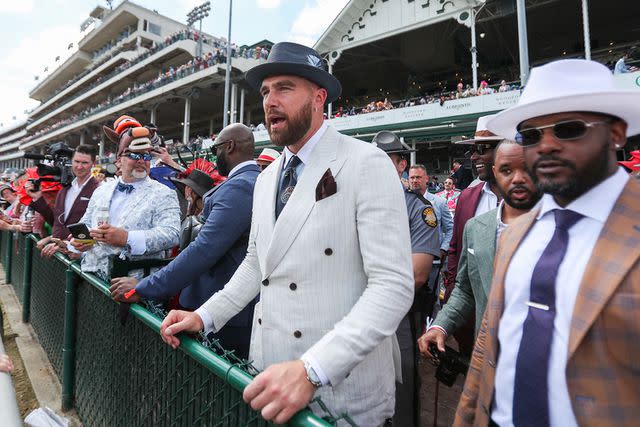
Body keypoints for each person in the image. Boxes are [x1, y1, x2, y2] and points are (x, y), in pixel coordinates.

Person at [158, 42, 414, 426]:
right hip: (270, 376)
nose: (270, 101)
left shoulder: (366, 163)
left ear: (318, 97)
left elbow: (392, 287)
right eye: (265, 92)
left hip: (337, 388)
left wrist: (313, 369)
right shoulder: (264, 180)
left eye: (284, 88)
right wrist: (204, 316)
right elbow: (256, 265)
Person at [455, 59, 640, 427]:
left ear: (616, 133)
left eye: (568, 129)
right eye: (531, 136)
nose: (547, 146)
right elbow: (488, 348)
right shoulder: (515, 232)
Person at [110, 124, 260, 359]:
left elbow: (202, 251)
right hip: (226, 306)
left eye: (216, 149)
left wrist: (145, 287)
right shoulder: (250, 181)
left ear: (229, 147)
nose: (214, 156)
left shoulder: (240, 185)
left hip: (226, 312)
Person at [418, 140, 541, 356]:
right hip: (489, 354)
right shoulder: (476, 227)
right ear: (495, 171)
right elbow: (465, 288)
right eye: (506, 170)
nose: (517, 178)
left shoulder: (558, 225)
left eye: (526, 168)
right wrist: (441, 325)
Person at [374, 132, 440, 427]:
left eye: (384, 160)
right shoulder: (358, 200)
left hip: (396, 314)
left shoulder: (419, 209)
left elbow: (417, 274)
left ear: (401, 164)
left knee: (401, 392)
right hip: (355, 309)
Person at [71, 121, 180, 279]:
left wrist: (127, 238)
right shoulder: (101, 190)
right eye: (133, 155)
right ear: (119, 159)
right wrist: (82, 241)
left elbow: (172, 234)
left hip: (132, 286)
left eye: (146, 155)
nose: (141, 160)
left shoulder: (164, 193)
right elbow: (86, 223)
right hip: (92, 279)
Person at [445, 114, 504, 356]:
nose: (474, 156)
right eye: (473, 149)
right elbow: (455, 250)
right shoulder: (467, 198)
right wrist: (450, 297)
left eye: (482, 149)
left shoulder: (531, 199)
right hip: (472, 319)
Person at [25, 145, 100, 257]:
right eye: (76, 161)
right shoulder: (65, 189)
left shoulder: (99, 189)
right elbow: (56, 222)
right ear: (71, 161)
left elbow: (95, 229)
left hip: (78, 259)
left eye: (84, 163)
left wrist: (68, 244)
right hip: (57, 256)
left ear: (93, 164)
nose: (79, 166)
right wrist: (38, 198)